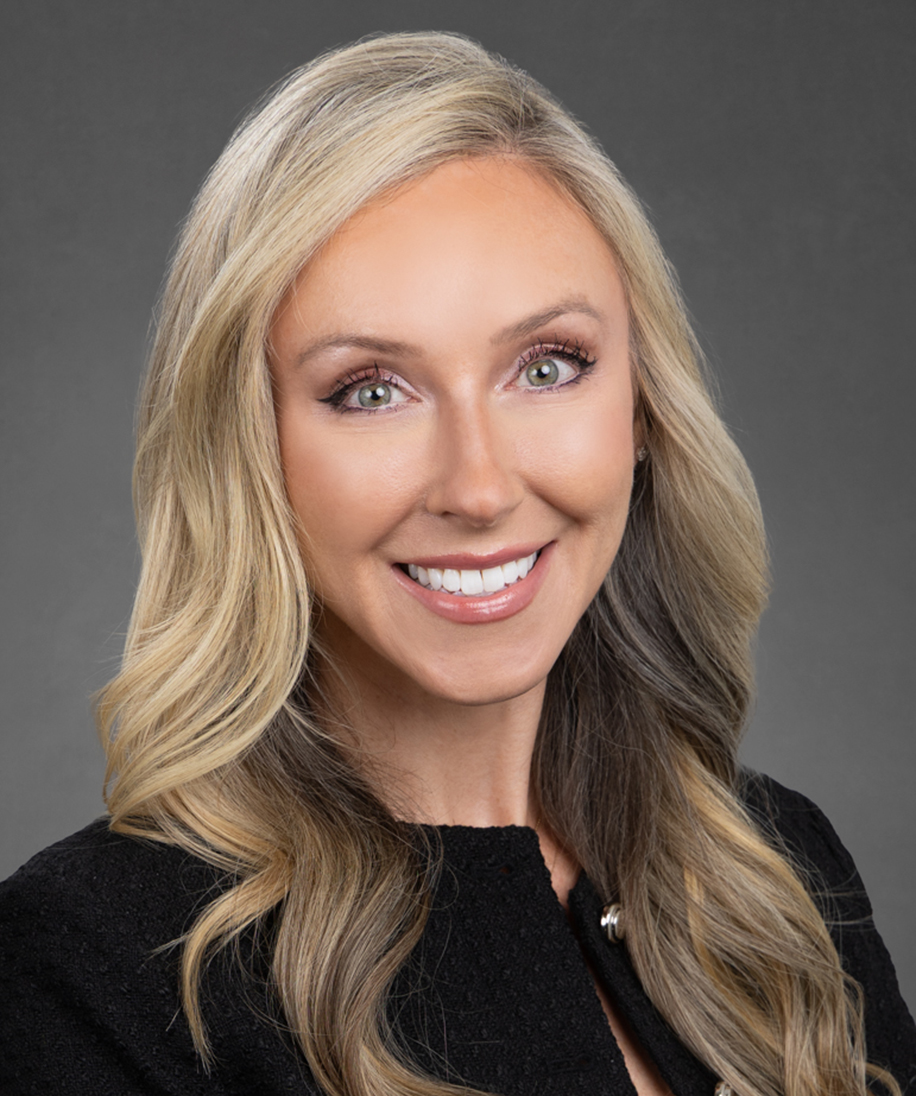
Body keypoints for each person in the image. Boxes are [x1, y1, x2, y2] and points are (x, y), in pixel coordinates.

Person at [0, 30, 913, 1096]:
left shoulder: (779, 876)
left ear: (642, 410)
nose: (478, 488)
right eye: (371, 391)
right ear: (248, 451)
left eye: (547, 367)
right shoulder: (93, 969)